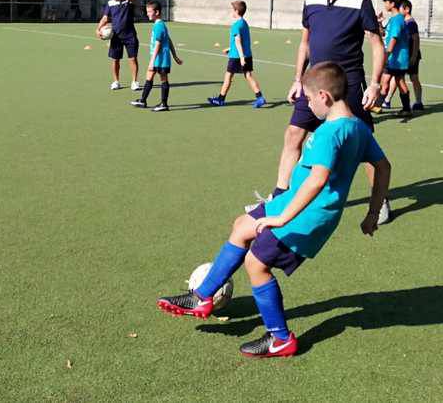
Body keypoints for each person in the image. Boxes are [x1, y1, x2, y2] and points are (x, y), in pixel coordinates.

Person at [156, 62, 391, 357]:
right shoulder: (357, 125)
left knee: (256, 263)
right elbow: (383, 167)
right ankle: (202, 296)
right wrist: (372, 212)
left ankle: (279, 337)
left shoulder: (330, 133)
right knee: (242, 225)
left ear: (324, 96)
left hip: (306, 216)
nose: (305, 102)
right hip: (290, 202)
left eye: (307, 97)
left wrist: (281, 218)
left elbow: (318, 180)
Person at [253, 0, 385, 211]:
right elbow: (304, 43)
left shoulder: (361, 2)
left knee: (362, 143)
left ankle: (379, 201)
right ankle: (280, 196)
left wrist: (375, 84)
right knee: (293, 134)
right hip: (313, 83)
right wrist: (297, 79)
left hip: (346, 83)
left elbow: (377, 45)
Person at [207, 0, 266, 108]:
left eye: (233, 10)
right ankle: (260, 97)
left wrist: (241, 58)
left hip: (237, 57)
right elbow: (241, 41)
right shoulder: (244, 23)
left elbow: (238, 41)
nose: (231, 12)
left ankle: (220, 99)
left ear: (236, 11)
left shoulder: (235, 25)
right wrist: (230, 48)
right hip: (246, 54)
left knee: (228, 77)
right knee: (248, 76)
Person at [130, 1, 181, 112]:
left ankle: (164, 104)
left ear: (156, 12)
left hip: (161, 59)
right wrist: (175, 56)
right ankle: (143, 100)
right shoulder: (159, 25)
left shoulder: (159, 26)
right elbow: (169, 40)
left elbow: (158, 44)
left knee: (163, 79)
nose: (147, 14)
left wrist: (152, 61)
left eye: (149, 12)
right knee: (149, 76)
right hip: (158, 58)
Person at [96, 0, 141, 91]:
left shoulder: (129, 1)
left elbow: (136, 1)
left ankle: (134, 81)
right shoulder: (110, 3)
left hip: (130, 35)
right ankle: (116, 81)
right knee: (115, 60)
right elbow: (105, 18)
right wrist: (98, 29)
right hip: (116, 36)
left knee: (133, 59)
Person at [373, 0, 412, 116]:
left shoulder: (397, 20)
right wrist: (379, 22)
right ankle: (379, 106)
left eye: (386, 2)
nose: (385, 5)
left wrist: (387, 54)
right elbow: (385, 33)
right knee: (392, 82)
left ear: (392, 3)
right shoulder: (394, 19)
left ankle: (378, 106)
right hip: (394, 59)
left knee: (394, 82)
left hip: (397, 58)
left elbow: (394, 38)